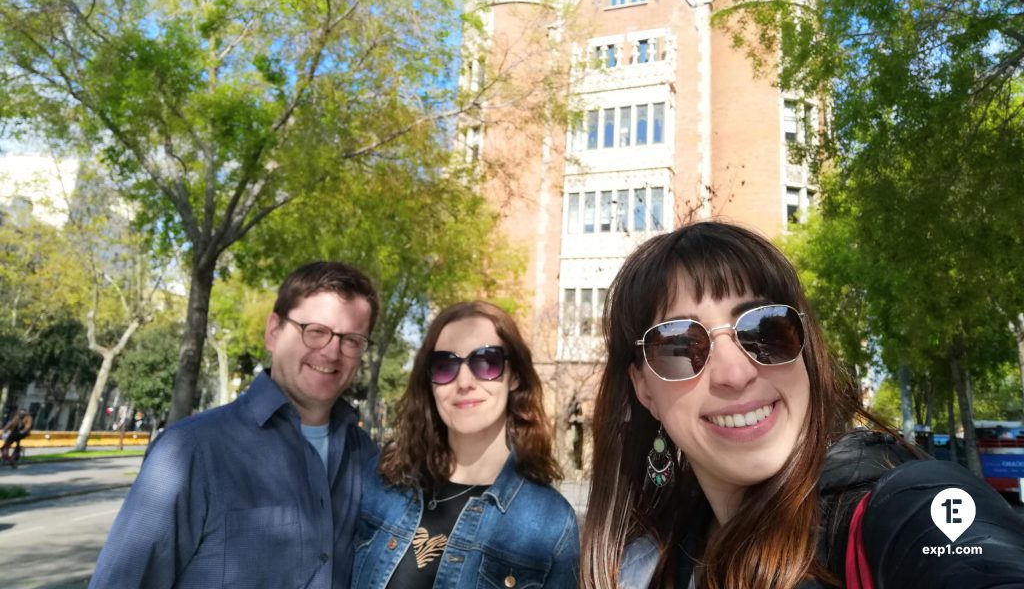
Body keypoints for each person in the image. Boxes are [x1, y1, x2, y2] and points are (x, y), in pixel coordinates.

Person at [581, 221, 1024, 589]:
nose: (736, 374)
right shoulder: (655, 558)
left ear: (804, 346)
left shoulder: (905, 509)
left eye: (766, 329)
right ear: (643, 390)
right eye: (679, 346)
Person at [90, 261, 380, 589]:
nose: (332, 351)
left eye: (352, 340)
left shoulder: (367, 458)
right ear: (273, 332)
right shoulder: (190, 451)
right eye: (315, 331)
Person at [351, 301, 579, 588]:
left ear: (515, 377)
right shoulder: (382, 482)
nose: (464, 381)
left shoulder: (550, 524)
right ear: (430, 382)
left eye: (486, 361)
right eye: (445, 365)